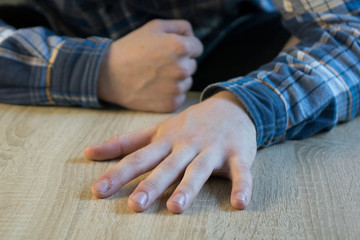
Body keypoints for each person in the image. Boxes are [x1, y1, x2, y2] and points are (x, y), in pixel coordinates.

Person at [1, 0, 360, 214]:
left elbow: (352, 31)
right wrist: (95, 69)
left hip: (241, 44)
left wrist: (244, 106)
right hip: (43, 36)